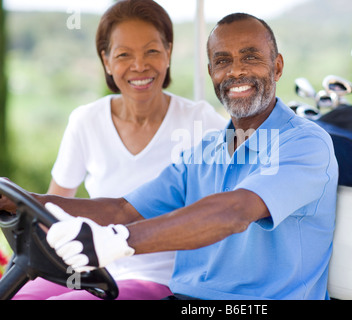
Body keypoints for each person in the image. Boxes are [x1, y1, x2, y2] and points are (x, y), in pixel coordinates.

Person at [1, 13, 338, 300]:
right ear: (211, 73)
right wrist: (21, 201)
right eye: (222, 61)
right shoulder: (205, 152)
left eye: (250, 56)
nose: (235, 71)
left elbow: (235, 211)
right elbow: (120, 209)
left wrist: (119, 241)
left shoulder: (305, 144)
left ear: (276, 67)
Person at [11, 0, 226, 300]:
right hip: (88, 265)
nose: (139, 65)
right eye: (124, 54)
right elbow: (55, 208)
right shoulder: (85, 121)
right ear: (107, 61)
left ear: (168, 53)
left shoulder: (201, 121)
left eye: (152, 51)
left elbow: (234, 204)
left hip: (164, 279)